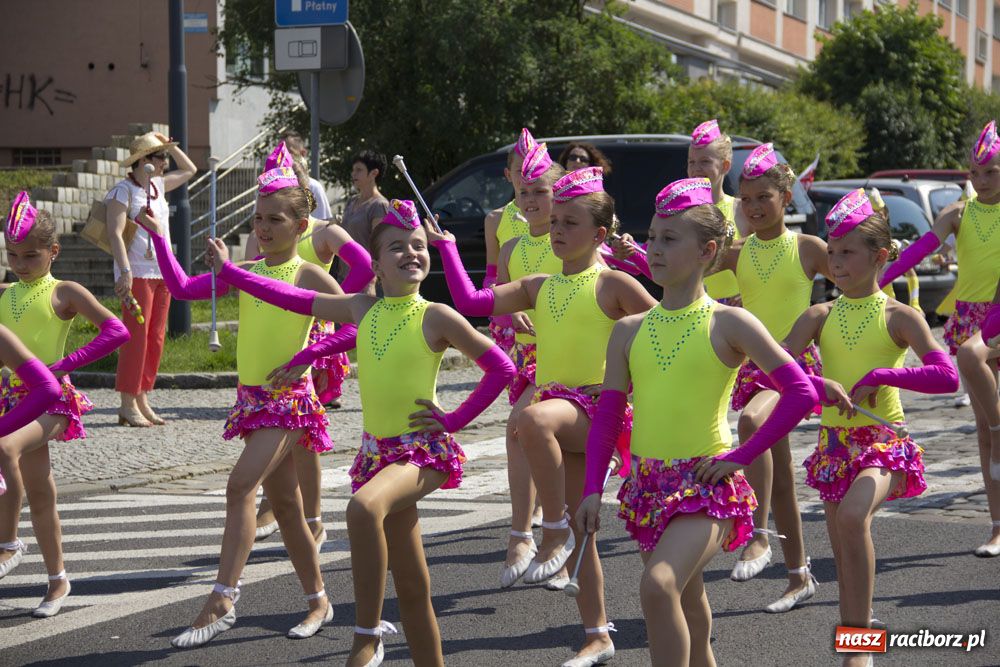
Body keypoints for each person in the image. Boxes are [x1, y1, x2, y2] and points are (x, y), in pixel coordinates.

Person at [210, 199, 515, 667]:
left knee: (361, 508)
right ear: (375, 264)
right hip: (378, 455)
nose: (411, 253)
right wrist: (230, 274)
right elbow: (289, 297)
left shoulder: (436, 315)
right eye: (397, 248)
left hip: (421, 451)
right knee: (412, 586)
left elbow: (501, 367)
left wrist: (453, 419)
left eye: (417, 245)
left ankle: (366, 637)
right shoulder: (362, 309)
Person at [577, 178, 816, 667]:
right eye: (652, 237)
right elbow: (608, 418)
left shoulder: (728, 322)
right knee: (686, 598)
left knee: (659, 585)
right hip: (646, 483)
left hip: (706, 484)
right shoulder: (627, 331)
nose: (654, 249)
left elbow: (800, 392)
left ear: (708, 250)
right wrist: (590, 489)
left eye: (670, 239)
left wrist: (740, 458)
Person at [428, 166, 657, 666]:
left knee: (528, 421)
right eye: (555, 222)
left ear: (599, 235)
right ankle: (597, 632)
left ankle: (551, 527)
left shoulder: (613, 284)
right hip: (562, 410)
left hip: (600, 410)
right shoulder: (538, 285)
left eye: (569, 223)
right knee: (585, 530)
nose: (556, 231)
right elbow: (470, 301)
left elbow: (663, 330)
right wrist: (445, 248)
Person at [138, 164, 343, 648]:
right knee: (289, 509)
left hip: (291, 402)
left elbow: (359, 315)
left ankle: (223, 597)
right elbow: (187, 288)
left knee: (239, 486)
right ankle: (319, 599)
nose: (263, 228)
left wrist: (311, 353)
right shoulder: (247, 273)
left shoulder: (308, 272)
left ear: (300, 226)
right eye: (258, 219)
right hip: (252, 401)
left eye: (274, 219)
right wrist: (162, 238)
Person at [786, 188, 958, 666]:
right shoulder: (819, 315)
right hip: (833, 443)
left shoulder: (899, 316)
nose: (835, 262)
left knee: (850, 518)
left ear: (880, 256)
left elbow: (946, 377)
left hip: (882, 443)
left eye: (847, 253)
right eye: (832, 251)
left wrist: (885, 375)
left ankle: (858, 648)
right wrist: (816, 384)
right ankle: (859, 634)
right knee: (843, 553)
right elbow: (772, 367)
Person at [0, 193, 130, 617]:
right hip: (12, 399)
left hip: (53, 399)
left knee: (5, 450)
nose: (20, 264)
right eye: (12, 255)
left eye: (30, 256)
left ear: (53, 251)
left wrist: (62, 366)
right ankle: (58, 581)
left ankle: (7, 543)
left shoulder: (65, 292)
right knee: (41, 493)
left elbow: (116, 332)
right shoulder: (5, 293)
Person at [713, 143, 830, 611]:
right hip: (755, 369)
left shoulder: (807, 248)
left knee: (751, 424)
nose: (755, 207)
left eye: (764, 197)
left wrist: (828, 314)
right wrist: (632, 255)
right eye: (747, 200)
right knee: (779, 476)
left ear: (786, 196)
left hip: (793, 370)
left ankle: (758, 535)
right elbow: (682, 264)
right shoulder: (737, 253)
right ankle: (799, 576)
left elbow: (861, 278)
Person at [878, 120, 1000, 556]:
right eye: (975, 172)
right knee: (985, 430)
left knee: (995, 423)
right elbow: (918, 251)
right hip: (970, 317)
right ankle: (996, 525)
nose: (981, 181)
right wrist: (876, 280)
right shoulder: (958, 213)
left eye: (991, 172)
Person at [245, 142, 375, 543]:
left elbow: (365, 267)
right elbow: (251, 276)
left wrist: (331, 305)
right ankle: (282, 505)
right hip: (274, 333)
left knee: (303, 435)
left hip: (314, 338)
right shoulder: (263, 233)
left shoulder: (324, 231)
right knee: (282, 430)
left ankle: (313, 516)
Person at [495, 144, 568, 589]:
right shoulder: (512, 249)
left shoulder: (570, 245)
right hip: (527, 359)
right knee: (540, 441)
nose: (531, 201)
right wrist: (507, 314)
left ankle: (524, 534)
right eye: (524, 192)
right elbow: (495, 301)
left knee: (518, 428)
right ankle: (554, 538)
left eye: (540, 191)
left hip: (566, 359)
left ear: (559, 195)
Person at [106, 131, 196, 427]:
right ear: (142, 161)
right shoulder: (124, 191)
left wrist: (171, 146)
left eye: (164, 156)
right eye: (159, 157)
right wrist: (125, 271)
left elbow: (190, 170)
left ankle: (143, 396)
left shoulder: (157, 186)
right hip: (137, 273)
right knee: (136, 338)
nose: (164, 162)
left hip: (162, 271)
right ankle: (127, 401)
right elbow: (115, 233)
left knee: (156, 338)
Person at [483, 128, 536, 353]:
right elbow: (492, 277)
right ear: (507, 174)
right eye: (520, 170)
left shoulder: (559, 216)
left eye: (533, 169)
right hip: (516, 323)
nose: (527, 176)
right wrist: (509, 310)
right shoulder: (496, 219)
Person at [688, 120, 745, 306]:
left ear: (725, 166)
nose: (696, 169)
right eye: (691, 162)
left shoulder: (741, 210)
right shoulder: (681, 212)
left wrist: (751, 296)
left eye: (705, 161)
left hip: (733, 315)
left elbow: (764, 263)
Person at [338, 150, 390, 294]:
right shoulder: (351, 201)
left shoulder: (379, 205)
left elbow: (378, 245)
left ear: (374, 173)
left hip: (366, 281)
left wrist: (372, 280)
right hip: (344, 277)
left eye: (359, 170)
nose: (353, 174)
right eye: (353, 170)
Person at [279, 130, 333, 221]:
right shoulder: (270, 185)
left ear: (303, 154)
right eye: (279, 152)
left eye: (288, 152)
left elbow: (322, 224)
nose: (282, 157)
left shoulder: (314, 187)